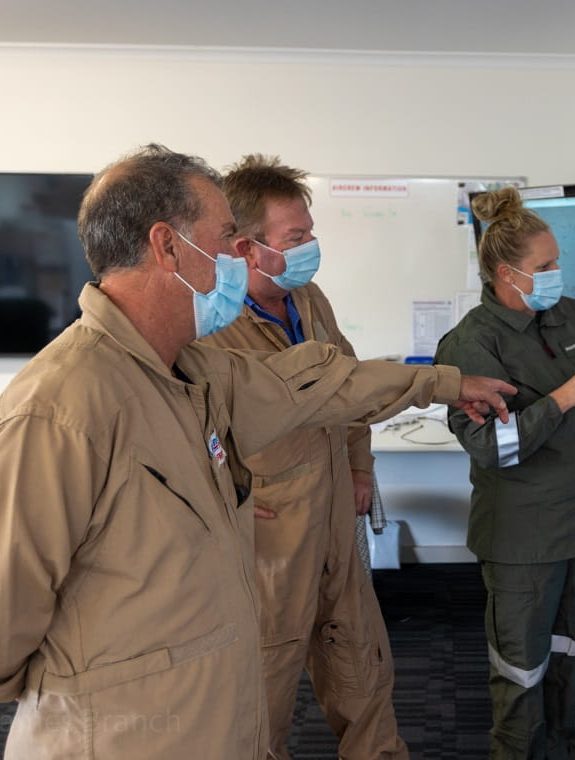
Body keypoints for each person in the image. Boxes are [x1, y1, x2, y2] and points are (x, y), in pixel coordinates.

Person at [0, 144, 514, 760]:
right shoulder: (59, 411)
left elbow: (325, 382)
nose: (239, 255)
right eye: (227, 236)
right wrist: (104, 680)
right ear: (168, 247)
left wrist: (442, 382)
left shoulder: (192, 370)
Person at [433, 187, 575, 759]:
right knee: (520, 676)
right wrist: (559, 400)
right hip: (524, 543)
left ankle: (565, 749)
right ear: (508, 274)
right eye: (546, 266)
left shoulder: (570, 314)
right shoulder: (470, 344)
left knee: (572, 666)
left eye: (558, 260)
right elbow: (489, 446)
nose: (559, 272)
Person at [199, 154, 404, 759]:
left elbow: (349, 385)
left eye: (310, 231)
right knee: (264, 691)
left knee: (364, 668)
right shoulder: (213, 322)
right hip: (271, 537)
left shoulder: (308, 297)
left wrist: (361, 466)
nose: (312, 245)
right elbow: (189, 428)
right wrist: (226, 496)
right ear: (246, 246)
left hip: (337, 516)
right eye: (297, 237)